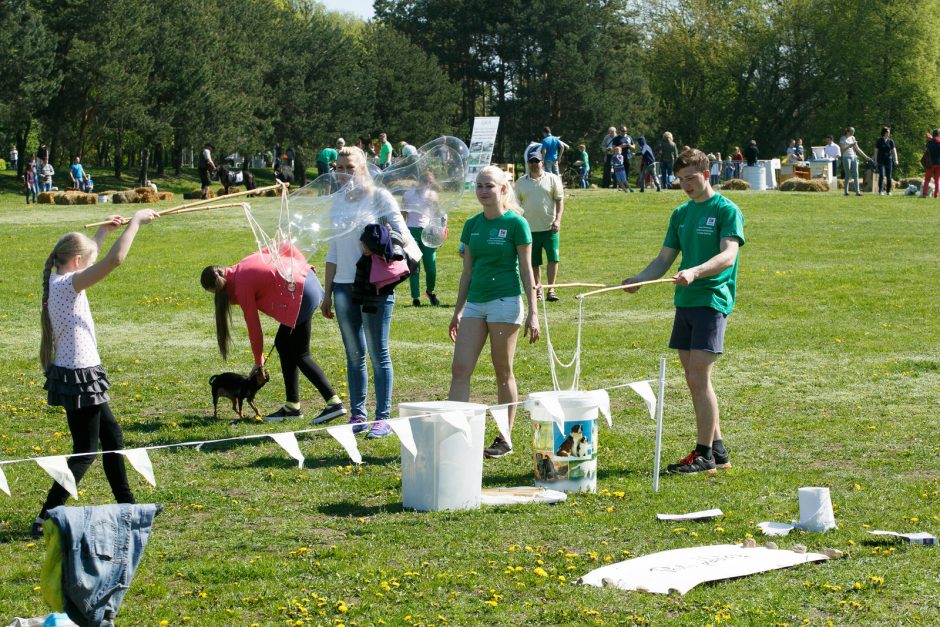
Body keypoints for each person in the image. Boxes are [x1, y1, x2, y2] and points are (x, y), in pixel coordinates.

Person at [32, 209, 159, 538]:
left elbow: (90, 260)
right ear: (76, 261)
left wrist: (102, 232)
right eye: (85, 259)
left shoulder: (57, 277)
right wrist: (135, 224)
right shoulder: (69, 285)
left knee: (112, 437)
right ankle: (45, 517)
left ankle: (127, 506)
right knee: (85, 451)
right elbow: (114, 261)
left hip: (75, 372)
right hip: (80, 375)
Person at [621, 148, 744, 474]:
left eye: (691, 178)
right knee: (693, 379)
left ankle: (703, 455)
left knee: (700, 377)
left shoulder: (726, 210)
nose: (686, 184)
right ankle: (717, 450)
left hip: (712, 299)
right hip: (685, 302)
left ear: (707, 174)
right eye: (680, 180)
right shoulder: (680, 214)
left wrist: (695, 272)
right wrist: (640, 279)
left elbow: (728, 256)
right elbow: (663, 259)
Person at [321, 146, 420, 438]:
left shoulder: (379, 197)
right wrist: (327, 293)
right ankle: (357, 414)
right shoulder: (336, 202)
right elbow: (332, 249)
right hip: (343, 286)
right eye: (339, 167)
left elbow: (404, 235)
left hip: (375, 284)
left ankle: (383, 417)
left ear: (364, 168)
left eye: (350, 167)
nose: (344, 173)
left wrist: (378, 240)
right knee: (354, 355)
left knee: (379, 352)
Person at [448, 165, 539, 458]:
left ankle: (504, 437)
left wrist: (533, 313)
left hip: (505, 302)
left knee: (503, 371)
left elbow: (527, 272)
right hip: (475, 303)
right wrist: (458, 310)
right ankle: (455, 433)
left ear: (503, 189)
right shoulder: (472, 225)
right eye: (479, 186)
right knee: (460, 368)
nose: (483, 191)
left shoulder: (516, 224)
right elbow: (467, 272)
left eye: (489, 186)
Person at [201, 240, 346, 424]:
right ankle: (292, 405)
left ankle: (333, 402)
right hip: (307, 282)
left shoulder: (241, 285)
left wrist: (258, 361)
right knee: (284, 344)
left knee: (300, 353)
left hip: (301, 293)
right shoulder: (241, 267)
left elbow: (254, 327)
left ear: (215, 289)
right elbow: (285, 245)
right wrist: (303, 267)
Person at [515, 145, 564, 302]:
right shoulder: (521, 182)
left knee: (553, 258)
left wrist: (558, 219)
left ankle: (551, 290)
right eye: (531, 162)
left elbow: (559, 200)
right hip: (529, 229)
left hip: (550, 227)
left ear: (542, 162)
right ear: (528, 164)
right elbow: (515, 205)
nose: (534, 164)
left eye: (537, 161)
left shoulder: (552, 179)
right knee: (534, 262)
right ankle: (538, 289)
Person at [402, 172, 442, 307]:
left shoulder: (432, 195)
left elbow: (438, 214)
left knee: (431, 267)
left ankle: (430, 291)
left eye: (430, 184)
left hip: (428, 231)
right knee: (414, 267)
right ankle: (415, 297)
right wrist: (402, 233)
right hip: (412, 231)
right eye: (426, 183)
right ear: (420, 182)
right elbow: (403, 214)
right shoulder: (408, 195)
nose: (428, 186)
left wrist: (440, 233)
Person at [839, 127, 870, 196]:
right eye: (851, 132)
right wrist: (850, 145)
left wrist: (865, 156)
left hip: (854, 157)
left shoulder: (853, 138)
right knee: (847, 175)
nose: (852, 134)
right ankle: (846, 192)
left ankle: (857, 192)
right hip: (846, 157)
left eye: (853, 132)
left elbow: (858, 149)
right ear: (848, 132)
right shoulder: (842, 138)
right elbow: (842, 150)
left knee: (856, 174)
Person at [875, 127, 899, 196]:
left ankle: (888, 191)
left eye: (889, 132)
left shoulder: (891, 141)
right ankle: (881, 191)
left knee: (889, 176)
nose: (889, 133)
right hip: (880, 160)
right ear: (884, 132)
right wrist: (875, 161)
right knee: (882, 175)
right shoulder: (879, 141)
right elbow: (876, 151)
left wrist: (896, 159)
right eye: (887, 132)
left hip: (888, 159)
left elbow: (894, 151)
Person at [923, 128, 940, 198]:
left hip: (930, 163)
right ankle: (936, 195)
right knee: (937, 180)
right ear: (939, 134)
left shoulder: (929, 143)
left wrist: (930, 139)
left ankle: (924, 194)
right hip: (939, 163)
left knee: (927, 180)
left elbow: (926, 148)